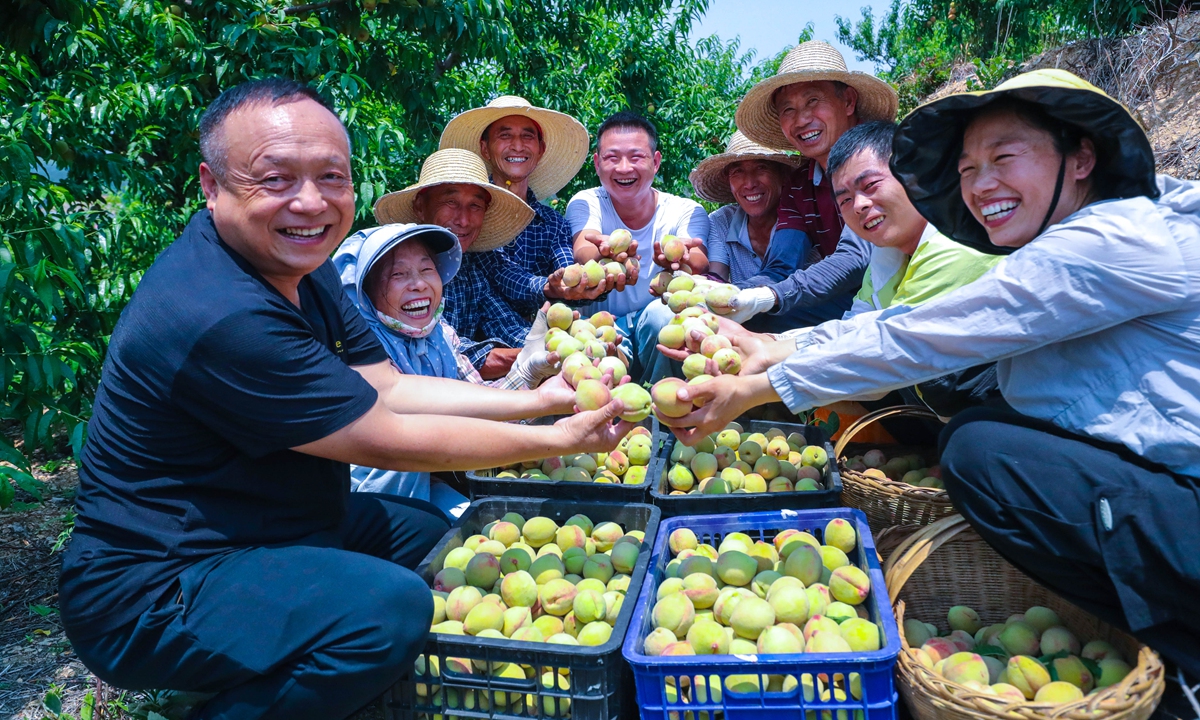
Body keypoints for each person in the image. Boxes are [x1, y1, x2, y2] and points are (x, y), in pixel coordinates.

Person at [58, 78, 633, 720]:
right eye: (275, 179)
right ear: (212, 185)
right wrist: (556, 438)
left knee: (428, 536)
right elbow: (381, 430)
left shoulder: (307, 270)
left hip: (276, 523)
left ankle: (324, 670)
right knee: (390, 611)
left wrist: (534, 400)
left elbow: (387, 383)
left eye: (331, 177)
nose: (310, 202)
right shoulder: (219, 312)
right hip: (159, 584)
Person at [657, 69, 1200, 677]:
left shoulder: (1113, 237)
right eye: (968, 170)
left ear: (1080, 157)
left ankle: (1181, 648)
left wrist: (760, 383)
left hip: (1184, 489)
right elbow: (877, 327)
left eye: (1005, 158)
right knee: (982, 437)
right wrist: (766, 348)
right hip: (1156, 475)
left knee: (980, 450)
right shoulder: (1035, 242)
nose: (981, 184)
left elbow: (924, 335)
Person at [333, 223, 562, 515]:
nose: (418, 284)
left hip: (427, 479)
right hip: (370, 497)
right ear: (366, 291)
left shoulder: (441, 335)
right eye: (398, 274)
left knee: (467, 526)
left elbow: (483, 408)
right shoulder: (364, 349)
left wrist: (528, 371)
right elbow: (421, 438)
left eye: (427, 270)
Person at [723, 40, 898, 330]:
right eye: (788, 109)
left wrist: (772, 296)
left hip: (900, 298)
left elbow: (855, 258)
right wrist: (730, 294)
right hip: (846, 302)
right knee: (743, 322)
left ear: (849, 101)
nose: (802, 119)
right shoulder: (798, 186)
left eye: (813, 101)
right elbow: (780, 266)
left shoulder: (882, 158)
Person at [439, 96, 619, 316]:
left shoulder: (553, 224)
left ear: (541, 149)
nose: (517, 145)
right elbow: (500, 272)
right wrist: (549, 288)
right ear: (485, 149)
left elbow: (565, 271)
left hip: (540, 339)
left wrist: (590, 278)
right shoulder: (471, 217)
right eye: (505, 135)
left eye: (527, 136)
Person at [567, 111, 710, 383]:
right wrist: (605, 249)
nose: (623, 168)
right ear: (597, 164)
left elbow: (700, 262)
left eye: (636, 157)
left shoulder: (686, 210)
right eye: (612, 158)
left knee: (662, 314)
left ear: (655, 162)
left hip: (656, 326)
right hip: (602, 325)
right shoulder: (586, 202)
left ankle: (667, 412)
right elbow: (584, 249)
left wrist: (681, 258)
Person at [375, 148, 536, 379]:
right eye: (450, 202)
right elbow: (452, 353)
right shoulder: (392, 269)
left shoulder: (470, 273)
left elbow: (506, 325)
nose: (463, 220)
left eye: (475, 206)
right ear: (420, 206)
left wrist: (548, 341)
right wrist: (535, 355)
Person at [688, 130, 802, 285]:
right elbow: (716, 280)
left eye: (761, 167)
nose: (749, 183)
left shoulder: (802, 216)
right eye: (738, 171)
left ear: (782, 175)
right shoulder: (722, 222)